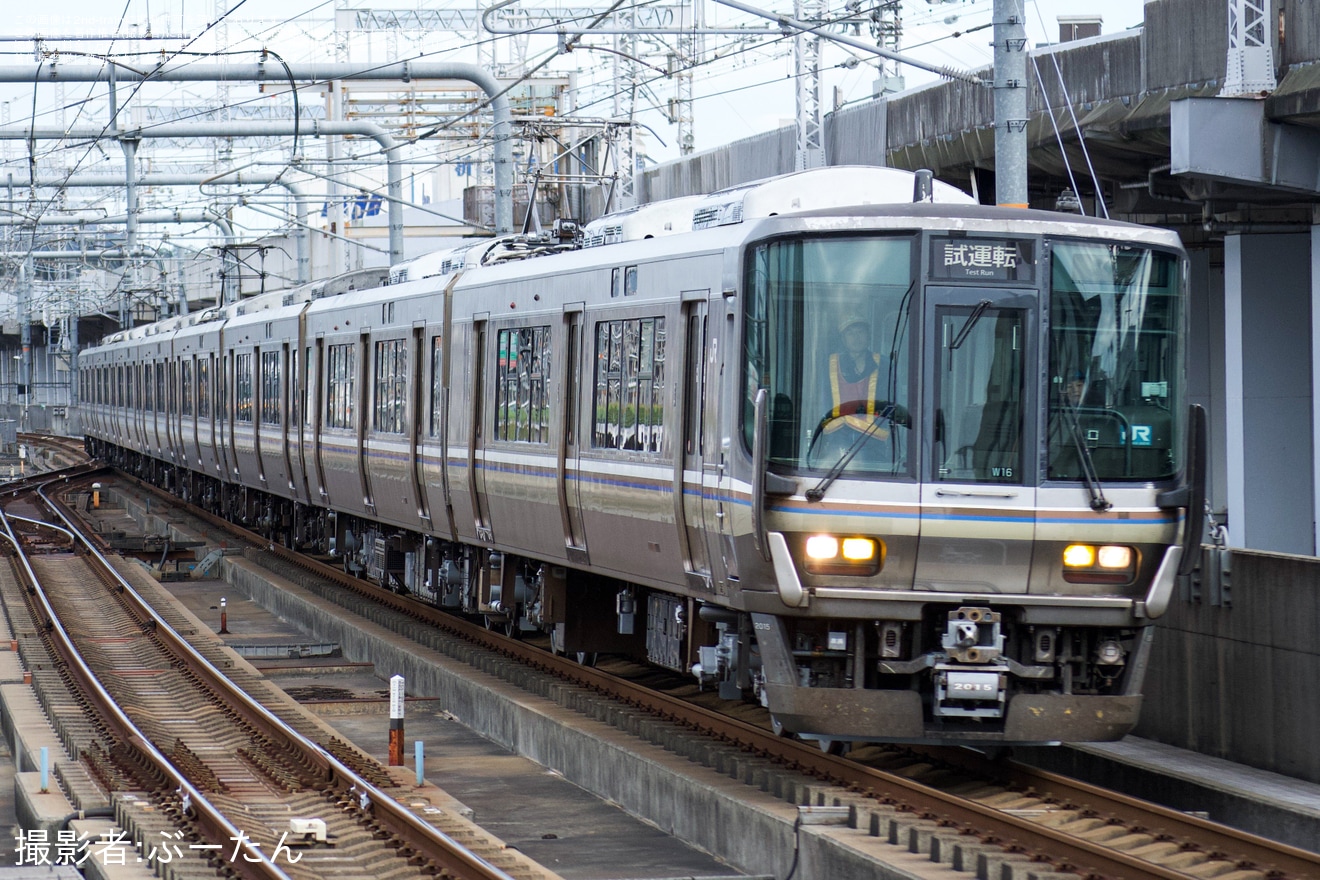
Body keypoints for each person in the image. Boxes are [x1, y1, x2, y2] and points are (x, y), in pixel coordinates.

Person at [814, 315, 908, 466]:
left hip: (874, 442)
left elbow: (893, 402)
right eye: (850, 333)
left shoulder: (885, 365)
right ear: (843, 339)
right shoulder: (829, 365)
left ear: (868, 336)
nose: (856, 338)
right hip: (837, 439)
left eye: (860, 332)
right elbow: (822, 400)